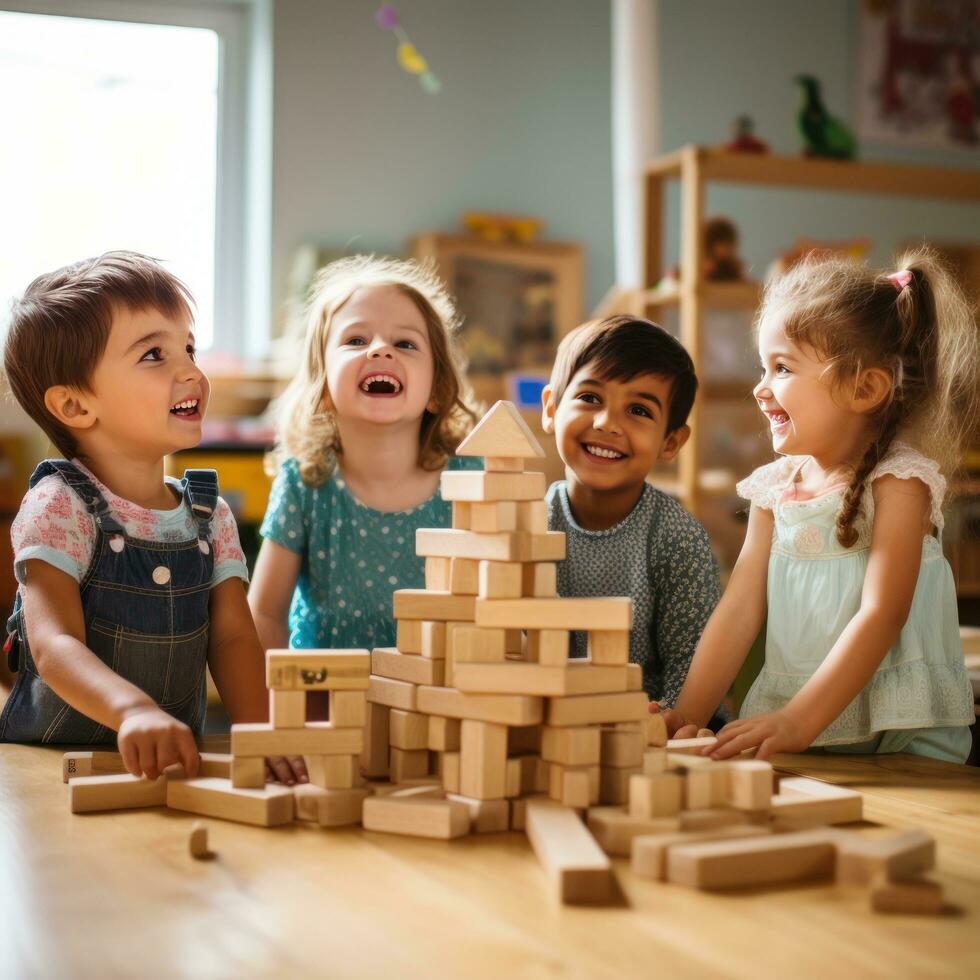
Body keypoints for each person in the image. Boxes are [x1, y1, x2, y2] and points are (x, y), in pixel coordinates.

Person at [663, 250, 977, 762]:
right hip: (804, 731)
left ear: (865, 388)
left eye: (782, 368)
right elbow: (738, 610)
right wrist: (687, 716)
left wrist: (798, 720)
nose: (760, 389)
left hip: (901, 734)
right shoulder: (774, 489)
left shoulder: (900, 482)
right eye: (762, 367)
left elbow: (883, 613)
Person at [1, 252, 301, 782]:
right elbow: (53, 645)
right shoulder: (59, 505)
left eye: (188, 346)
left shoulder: (210, 517)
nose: (190, 369)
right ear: (74, 407)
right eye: (153, 355)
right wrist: (132, 711)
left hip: (167, 770)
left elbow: (233, 638)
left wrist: (260, 733)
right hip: (52, 771)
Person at [249, 255, 478, 661]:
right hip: (327, 707)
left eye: (405, 343)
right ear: (322, 385)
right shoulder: (305, 485)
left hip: (441, 707)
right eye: (356, 340)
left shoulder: (471, 482)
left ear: (437, 390)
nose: (380, 351)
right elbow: (265, 614)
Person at [540, 315, 721, 710]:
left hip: (648, 731)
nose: (607, 423)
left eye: (638, 410)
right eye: (590, 398)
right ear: (551, 408)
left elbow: (692, 663)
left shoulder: (675, 537)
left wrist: (667, 722)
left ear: (670, 442)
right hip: (549, 724)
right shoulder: (529, 523)